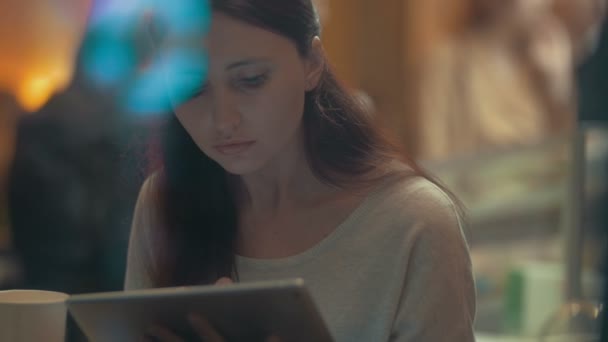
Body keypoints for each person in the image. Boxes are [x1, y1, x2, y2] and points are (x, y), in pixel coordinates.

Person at [124, 0, 476, 341]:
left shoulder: (412, 222)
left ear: (312, 62)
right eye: (191, 87)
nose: (224, 120)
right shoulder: (165, 203)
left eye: (251, 80)